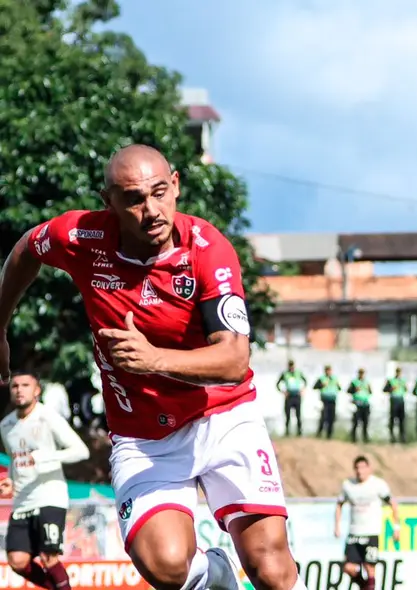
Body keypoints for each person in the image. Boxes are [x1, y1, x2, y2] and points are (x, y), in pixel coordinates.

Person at [0, 144, 301, 590]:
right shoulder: (81, 237)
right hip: (143, 436)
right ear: (109, 203)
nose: (151, 209)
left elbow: (235, 360)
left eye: (160, 193)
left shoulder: (208, 250)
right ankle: (215, 574)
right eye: (134, 199)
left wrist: (154, 360)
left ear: (176, 185)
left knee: (271, 571)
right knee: (164, 566)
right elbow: (27, 248)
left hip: (223, 416)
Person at [0, 372, 90, 590]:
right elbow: (16, 459)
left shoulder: (48, 417)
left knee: (49, 558)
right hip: (22, 501)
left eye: (25, 385)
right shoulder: (6, 425)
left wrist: (46, 457)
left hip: (50, 495)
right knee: (17, 561)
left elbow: (81, 451)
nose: (19, 390)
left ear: (37, 390)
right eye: (15, 386)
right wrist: (10, 480)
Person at [334, 456, 402, 590]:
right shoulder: (348, 485)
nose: (360, 471)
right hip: (354, 533)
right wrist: (337, 525)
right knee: (348, 568)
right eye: (357, 468)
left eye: (363, 468)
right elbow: (339, 504)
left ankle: (368, 587)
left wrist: (396, 527)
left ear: (369, 469)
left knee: (370, 567)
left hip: (371, 532)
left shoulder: (377, 484)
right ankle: (366, 587)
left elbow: (393, 504)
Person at [277, 360, 306, 437]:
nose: (291, 367)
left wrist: (302, 390)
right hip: (289, 396)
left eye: (292, 365)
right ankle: (287, 432)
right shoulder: (285, 374)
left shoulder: (298, 373)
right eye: (290, 365)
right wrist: (283, 392)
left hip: (297, 396)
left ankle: (299, 432)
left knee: (298, 415)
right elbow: (277, 384)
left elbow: (305, 381)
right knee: (287, 415)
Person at [313, 365, 340, 439]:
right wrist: (321, 385)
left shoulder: (334, 379)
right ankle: (319, 433)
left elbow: (339, 388)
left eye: (329, 370)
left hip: (333, 400)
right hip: (324, 401)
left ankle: (329, 435)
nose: (328, 371)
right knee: (324, 417)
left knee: (331, 418)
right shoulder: (322, 379)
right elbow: (314, 387)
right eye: (327, 370)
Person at [383, 367, 407, 443]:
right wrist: (391, 389)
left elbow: (406, 389)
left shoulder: (403, 381)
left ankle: (402, 437)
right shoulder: (391, 381)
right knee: (392, 419)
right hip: (394, 401)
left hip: (401, 401)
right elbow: (384, 390)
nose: (398, 373)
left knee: (402, 420)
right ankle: (392, 437)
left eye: (399, 372)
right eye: (397, 371)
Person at [348, 368, 372, 444]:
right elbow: (348, 391)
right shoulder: (354, 382)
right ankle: (353, 439)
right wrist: (355, 390)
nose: (361, 374)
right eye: (360, 373)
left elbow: (370, 392)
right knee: (355, 422)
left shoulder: (367, 382)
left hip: (365, 404)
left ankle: (365, 438)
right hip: (357, 404)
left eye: (362, 373)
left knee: (365, 423)